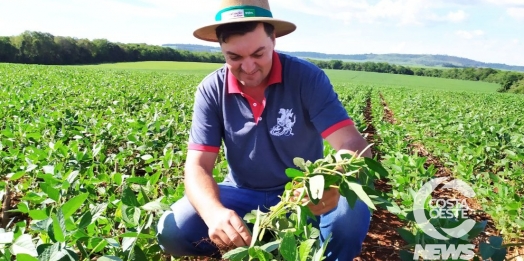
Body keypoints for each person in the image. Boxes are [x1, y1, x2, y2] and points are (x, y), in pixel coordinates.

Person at [156, 0, 373, 260]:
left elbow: (353, 145)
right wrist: (214, 213)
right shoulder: (212, 89)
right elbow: (197, 167)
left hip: (303, 192)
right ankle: (250, 245)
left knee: (348, 217)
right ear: (221, 48)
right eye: (234, 57)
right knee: (173, 230)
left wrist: (331, 181)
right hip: (241, 192)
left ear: (274, 41)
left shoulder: (307, 78)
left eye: (258, 54)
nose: (248, 68)